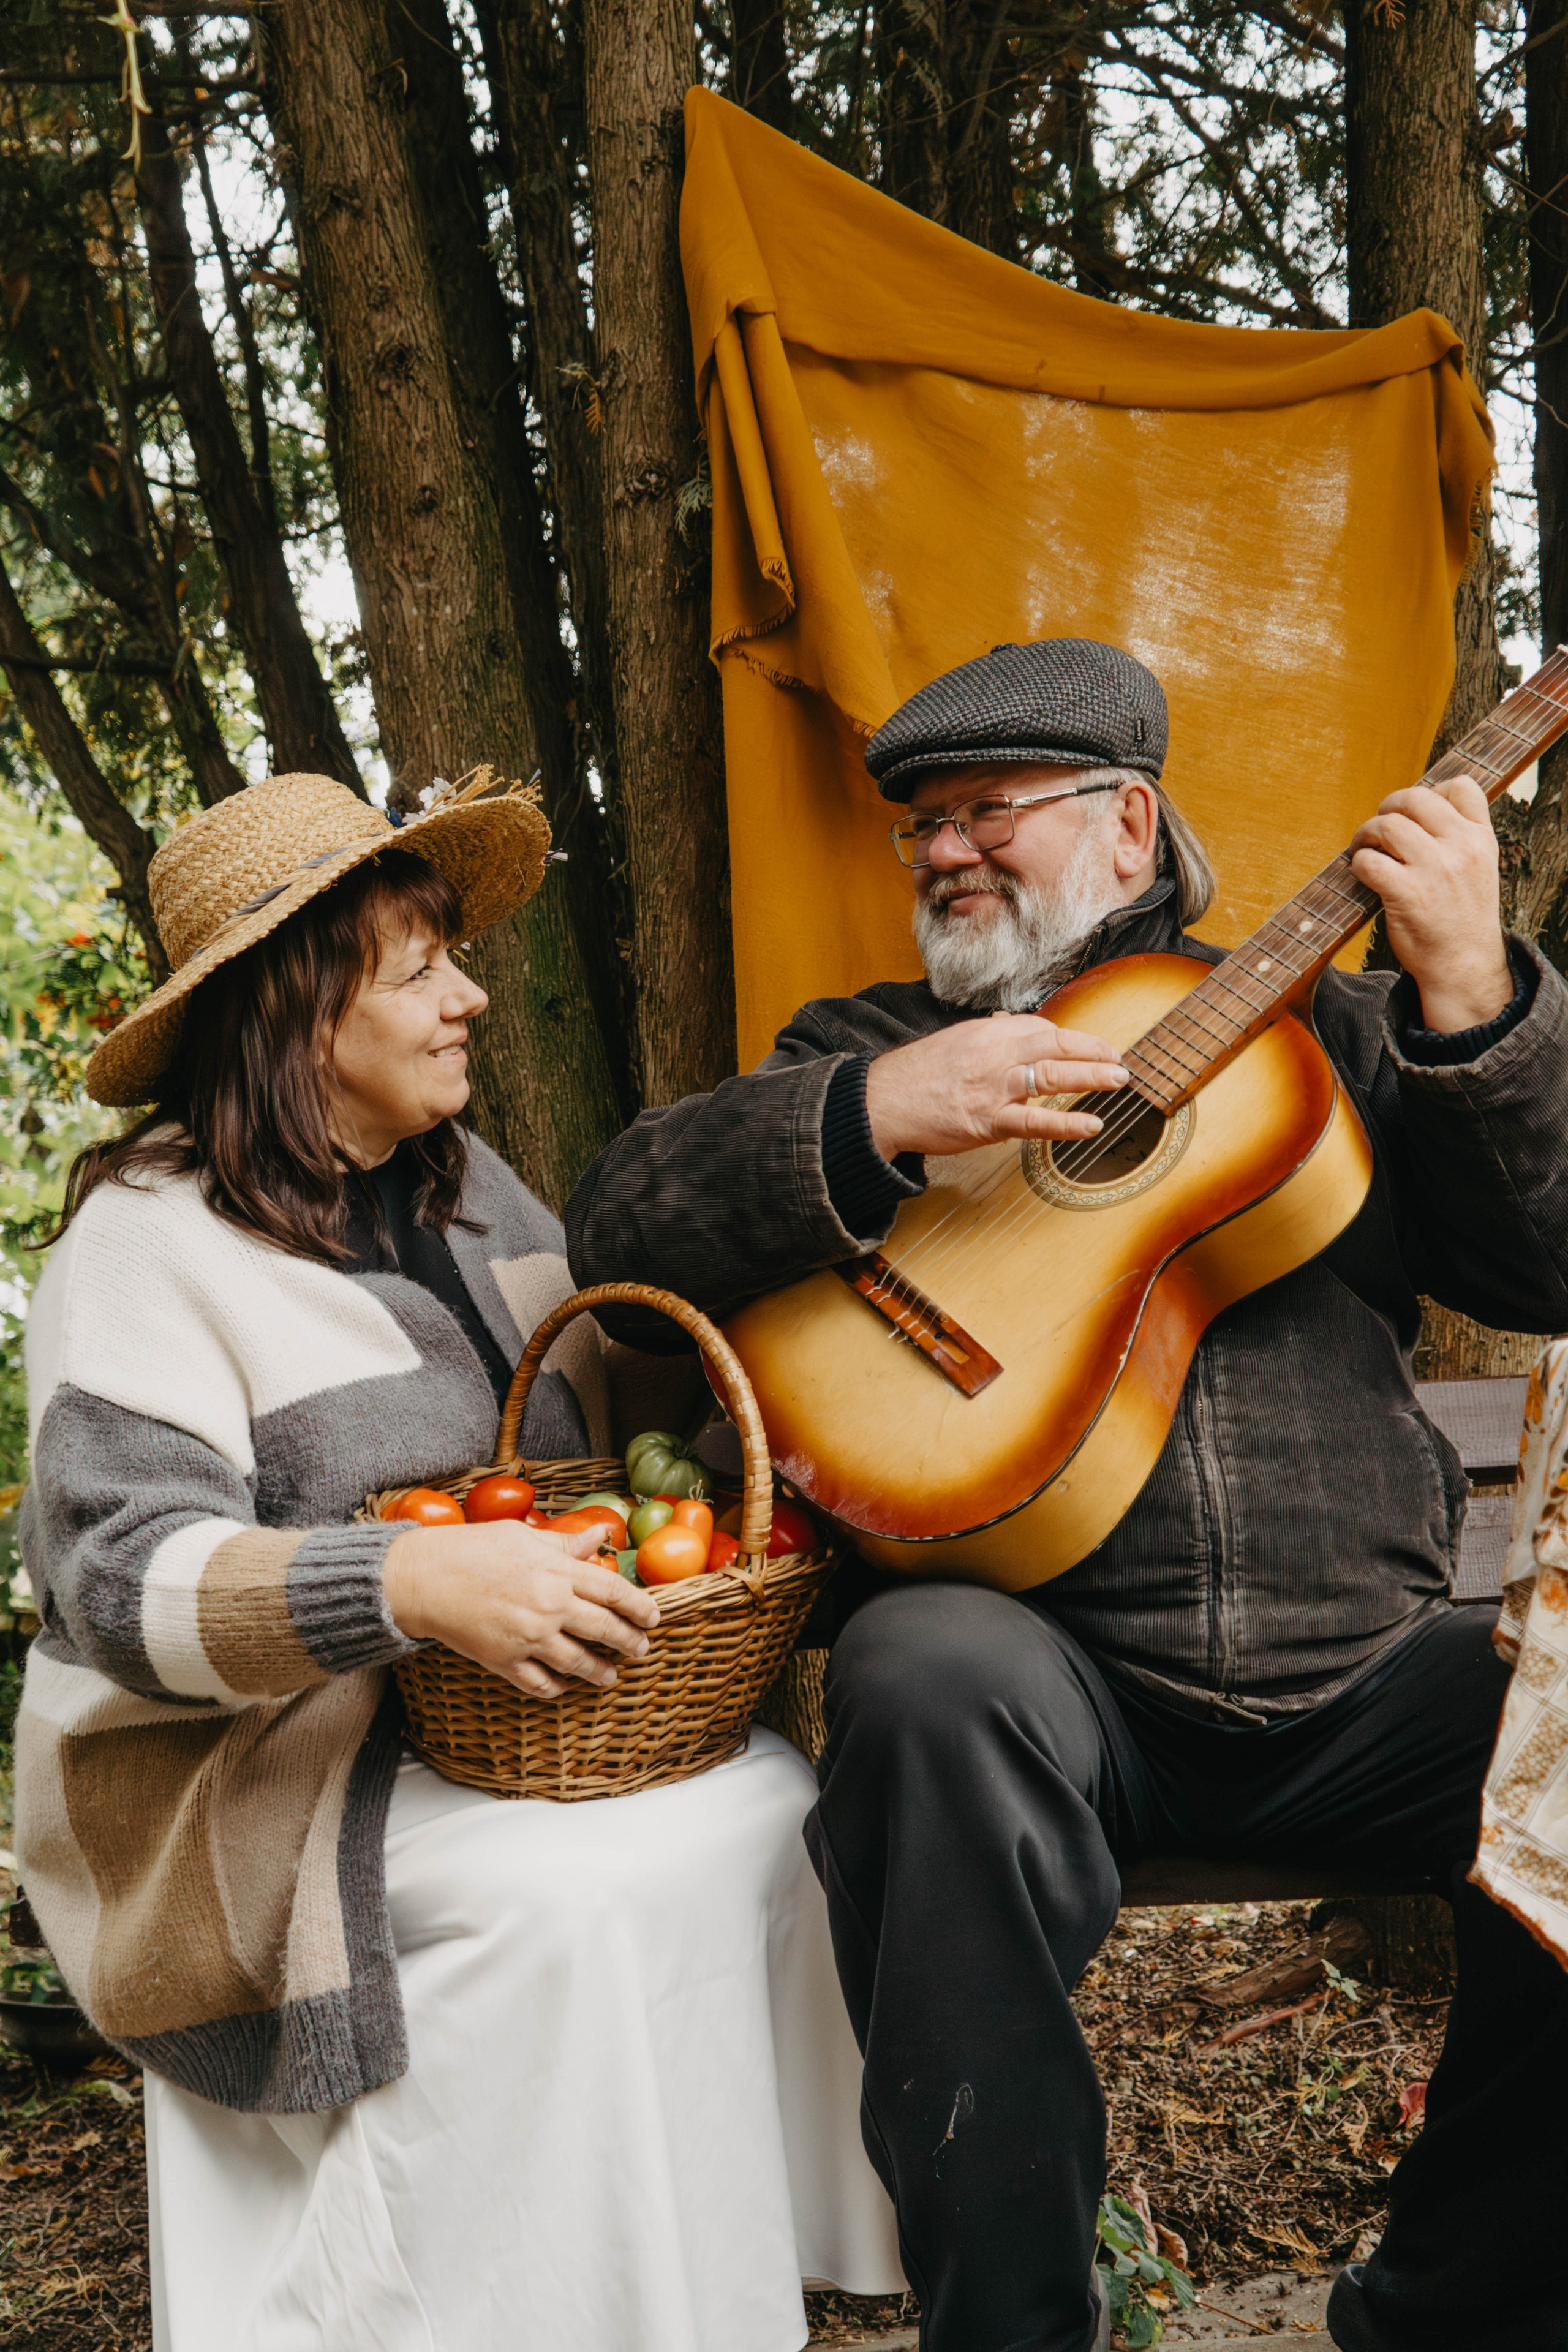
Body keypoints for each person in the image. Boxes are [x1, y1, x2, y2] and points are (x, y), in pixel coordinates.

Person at [565, 638, 1568, 2352]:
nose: (945, 848)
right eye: (920, 826)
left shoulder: (1339, 1032)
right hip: (1058, 1693)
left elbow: (1546, 1259)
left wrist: (1476, 991)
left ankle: (1453, 2309)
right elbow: (623, 1218)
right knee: (920, 1674)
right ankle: (1022, 2332)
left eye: (988, 811)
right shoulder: (864, 1043)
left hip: (1371, 1673)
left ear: (1128, 822)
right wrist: (871, 1112)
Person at [13, 769, 901, 2352]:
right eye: (423, 968)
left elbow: (591, 1441)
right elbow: (119, 1584)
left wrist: (781, 1464)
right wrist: (403, 1588)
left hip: (475, 1731)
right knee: (580, 1896)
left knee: (775, 1802)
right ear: (298, 1012)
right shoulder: (146, 1241)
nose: (472, 995)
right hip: (244, 1783)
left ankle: (693, 2292)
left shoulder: (467, 1193)